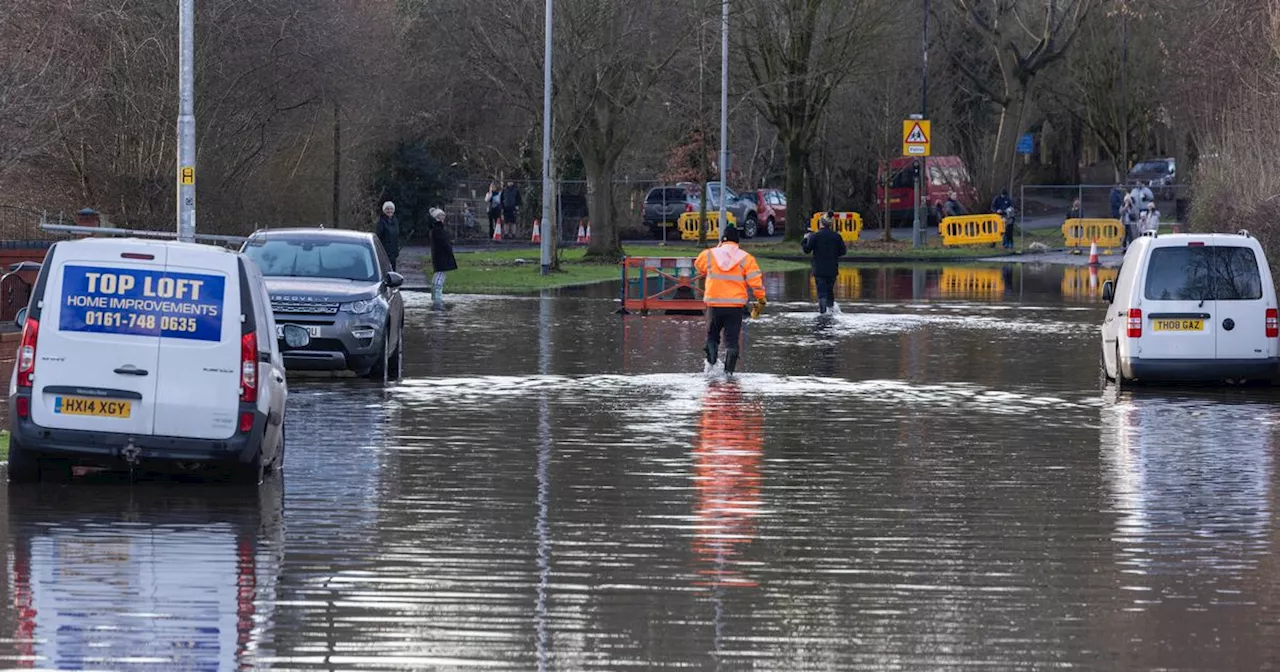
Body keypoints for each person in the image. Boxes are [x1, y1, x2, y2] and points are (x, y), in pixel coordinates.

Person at [695, 225, 766, 376]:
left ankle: (712, 366)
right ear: (737, 241)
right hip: (735, 306)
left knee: (712, 336)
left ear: (722, 240)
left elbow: (699, 267)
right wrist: (760, 299)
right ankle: (729, 375)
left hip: (714, 304)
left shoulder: (709, 254)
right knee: (732, 340)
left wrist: (717, 249)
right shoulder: (746, 258)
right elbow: (755, 282)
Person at [802, 212, 846, 314]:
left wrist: (805, 239)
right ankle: (830, 311)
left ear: (821, 223)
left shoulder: (815, 236)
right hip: (832, 270)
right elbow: (843, 251)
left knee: (821, 293)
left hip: (819, 270)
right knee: (829, 291)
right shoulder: (836, 236)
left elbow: (806, 250)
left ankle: (823, 313)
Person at [427, 207, 458, 310]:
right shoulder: (437, 230)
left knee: (438, 277)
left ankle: (436, 299)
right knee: (439, 279)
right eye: (440, 216)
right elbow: (444, 244)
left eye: (443, 216)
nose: (442, 218)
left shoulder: (436, 229)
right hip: (441, 258)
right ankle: (437, 300)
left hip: (440, 257)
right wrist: (449, 249)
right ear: (436, 217)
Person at [375, 201, 400, 270]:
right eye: (387, 209)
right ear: (384, 210)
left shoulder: (395, 221)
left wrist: (396, 250)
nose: (389, 211)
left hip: (393, 252)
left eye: (391, 209)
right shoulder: (381, 222)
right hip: (384, 252)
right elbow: (378, 237)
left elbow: (396, 237)